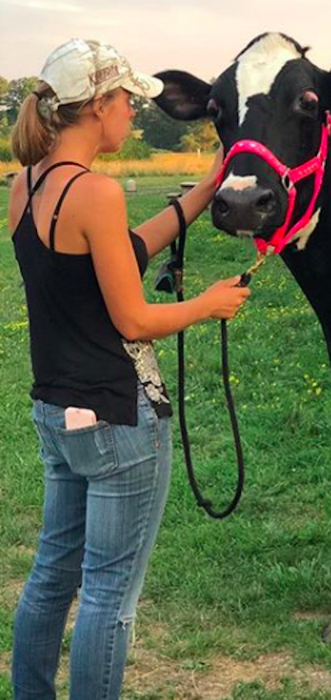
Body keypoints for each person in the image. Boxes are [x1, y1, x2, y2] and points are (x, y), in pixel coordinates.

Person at [7, 38, 250, 699]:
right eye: (127, 102)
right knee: (111, 592)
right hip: (117, 418)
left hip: (58, 413)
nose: (130, 115)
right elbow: (134, 320)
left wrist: (205, 189)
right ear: (101, 107)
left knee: (53, 574)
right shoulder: (96, 194)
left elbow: (119, 253)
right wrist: (208, 304)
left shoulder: (25, 187)